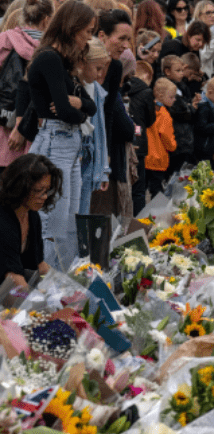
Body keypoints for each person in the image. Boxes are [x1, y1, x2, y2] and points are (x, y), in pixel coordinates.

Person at [26, 0, 96, 271]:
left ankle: (64, 279)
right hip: (57, 139)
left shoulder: (58, 60)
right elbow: (68, 110)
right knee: (53, 220)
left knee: (70, 218)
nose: (88, 37)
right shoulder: (49, 58)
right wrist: (78, 110)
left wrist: (78, 107)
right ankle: (47, 281)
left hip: (68, 141)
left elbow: (87, 105)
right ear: (72, 27)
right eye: (87, 31)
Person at [0, 0, 52, 174]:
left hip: (3, 133)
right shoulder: (52, 50)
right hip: (37, 138)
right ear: (46, 20)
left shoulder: (4, 41)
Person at [94, 8, 135, 219]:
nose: (126, 45)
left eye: (128, 39)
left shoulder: (116, 67)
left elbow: (108, 112)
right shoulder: (78, 60)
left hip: (97, 143)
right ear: (102, 36)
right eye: (121, 38)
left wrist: (105, 153)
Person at [0, 154, 60, 288]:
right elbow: (13, 280)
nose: (44, 197)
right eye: (39, 190)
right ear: (20, 187)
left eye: (47, 191)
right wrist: (36, 305)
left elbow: (40, 266)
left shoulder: (32, 216)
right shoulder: (4, 221)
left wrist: (63, 288)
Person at [77, 38, 110, 215]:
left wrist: (103, 167)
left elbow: (100, 131)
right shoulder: (74, 85)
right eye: (97, 69)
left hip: (89, 151)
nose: (99, 74)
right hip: (77, 149)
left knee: (83, 210)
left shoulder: (96, 90)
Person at [161, 54, 196, 176]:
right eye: (178, 70)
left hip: (185, 138)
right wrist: (192, 108)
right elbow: (181, 112)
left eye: (182, 70)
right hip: (177, 138)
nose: (181, 73)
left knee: (184, 173)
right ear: (167, 72)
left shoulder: (182, 87)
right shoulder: (168, 89)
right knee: (175, 174)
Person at [129, 60, 155, 215]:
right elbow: (151, 119)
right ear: (147, 75)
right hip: (139, 144)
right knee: (138, 190)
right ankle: (138, 224)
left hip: (123, 142)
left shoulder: (122, 87)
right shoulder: (146, 92)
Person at [145, 77, 176, 198]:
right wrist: (173, 146)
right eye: (171, 97)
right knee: (157, 190)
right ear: (161, 95)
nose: (174, 100)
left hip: (146, 155)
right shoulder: (164, 114)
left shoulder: (147, 108)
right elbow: (166, 135)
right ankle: (155, 214)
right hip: (158, 157)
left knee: (141, 188)